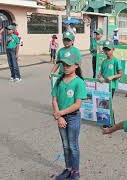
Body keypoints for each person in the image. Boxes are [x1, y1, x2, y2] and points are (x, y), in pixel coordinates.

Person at [51, 51, 87, 180]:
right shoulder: (59, 80)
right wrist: (59, 116)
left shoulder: (79, 82)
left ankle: (75, 171)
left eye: (68, 64)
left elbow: (77, 105)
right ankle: (68, 168)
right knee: (65, 145)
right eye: (63, 64)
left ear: (76, 65)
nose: (65, 67)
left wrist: (60, 113)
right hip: (61, 118)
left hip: (73, 118)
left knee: (73, 145)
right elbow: (54, 99)